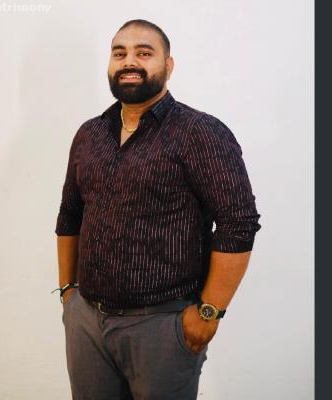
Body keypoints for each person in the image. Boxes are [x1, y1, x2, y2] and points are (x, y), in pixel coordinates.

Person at [54, 19, 261, 400]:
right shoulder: (89, 133)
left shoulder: (200, 132)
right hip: (87, 322)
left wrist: (208, 313)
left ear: (168, 66)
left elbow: (239, 224)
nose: (129, 61)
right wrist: (69, 294)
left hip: (163, 326)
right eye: (119, 53)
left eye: (144, 53)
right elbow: (70, 214)